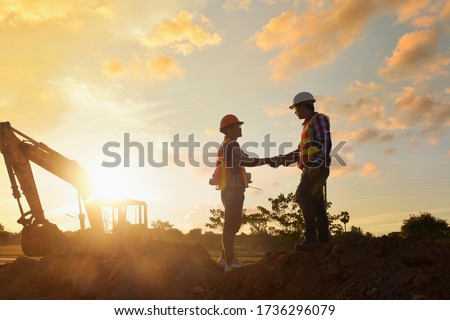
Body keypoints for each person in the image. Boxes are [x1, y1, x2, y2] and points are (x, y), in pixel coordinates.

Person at [211, 114, 273, 272]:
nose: (240, 128)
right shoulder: (231, 145)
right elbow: (247, 161)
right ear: (229, 129)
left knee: (233, 223)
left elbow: (241, 161)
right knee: (231, 223)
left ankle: (224, 259)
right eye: (237, 126)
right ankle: (230, 262)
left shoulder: (229, 145)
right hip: (232, 190)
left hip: (231, 188)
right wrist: (269, 160)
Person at [272, 92, 331, 251]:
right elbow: (300, 152)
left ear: (304, 105)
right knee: (317, 204)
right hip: (311, 168)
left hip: (315, 168)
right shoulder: (307, 125)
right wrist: (281, 159)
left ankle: (311, 239)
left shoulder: (318, 119)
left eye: (295, 108)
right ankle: (324, 242)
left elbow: (325, 144)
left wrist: (315, 165)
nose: (295, 111)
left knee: (302, 195)